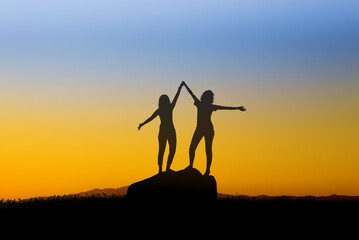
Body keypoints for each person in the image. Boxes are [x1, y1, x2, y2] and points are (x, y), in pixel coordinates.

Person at [182, 81, 246, 176]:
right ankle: (191, 166)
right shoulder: (202, 104)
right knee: (193, 148)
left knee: (206, 149)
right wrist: (185, 85)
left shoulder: (206, 105)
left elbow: (225, 108)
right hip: (200, 129)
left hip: (207, 129)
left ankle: (207, 169)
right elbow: (191, 93)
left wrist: (237, 108)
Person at [138, 82, 184, 174]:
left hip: (169, 131)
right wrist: (142, 124)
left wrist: (142, 124)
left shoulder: (166, 109)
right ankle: (162, 169)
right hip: (166, 131)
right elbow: (151, 118)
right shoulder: (164, 109)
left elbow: (176, 96)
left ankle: (166, 168)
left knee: (170, 149)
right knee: (163, 150)